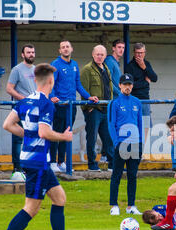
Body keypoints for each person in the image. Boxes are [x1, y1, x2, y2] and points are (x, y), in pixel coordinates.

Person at [0, 63, 85, 230]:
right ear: (51, 80)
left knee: (59, 197)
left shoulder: (25, 101)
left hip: (31, 159)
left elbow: (8, 124)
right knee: (31, 208)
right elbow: (43, 132)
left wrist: (28, 135)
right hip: (37, 162)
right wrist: (65, 137)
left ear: (34, 80)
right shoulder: (46, 103)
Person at [49, 40, 98, 173]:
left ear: (72, 49)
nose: (65, 49)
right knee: (57, 133)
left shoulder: (75, 65)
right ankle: (52, 161)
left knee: (67, 133)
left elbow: (78, 85)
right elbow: (50, 83)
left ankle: (61, 162)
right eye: (63, 47)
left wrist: (88, 96)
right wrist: (52, 96)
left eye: (67, 47)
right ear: (60, 51)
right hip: (60, 105)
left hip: (72, 105)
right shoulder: (55, 64)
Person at [108, 74, 144, 216]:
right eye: (125, 84)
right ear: (120, 85)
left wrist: (140, 142)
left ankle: (131, 206)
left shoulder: (137, 102)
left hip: (135, 144)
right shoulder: (114, 103)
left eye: (130, 84)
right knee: (116, 174)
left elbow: (140, 124)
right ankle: (114, 205)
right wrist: (116, 142)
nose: (127, 87)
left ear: (132, 86)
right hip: (121, 144)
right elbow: (111, 125)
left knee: (132, 175)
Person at [80, 44, 114, 171]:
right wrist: (88, 107)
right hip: (93, 110)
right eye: (97, 54)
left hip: (106, 109)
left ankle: (112, 164)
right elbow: (83, 89)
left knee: (108, 138)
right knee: (92, 138)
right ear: (93, 55)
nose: (99, 57)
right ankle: (92, 164)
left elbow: (109, 88)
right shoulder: (87, 69)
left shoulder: (106, 68)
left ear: (105, 56)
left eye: (102, 54)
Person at [6, 44, 37, 173]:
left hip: (34, 110)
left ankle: (29, 165)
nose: (31, 54)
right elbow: (9, 89)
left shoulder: (36, 69)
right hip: (21, 108)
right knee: (19, 138)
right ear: (23, 55)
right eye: (28, 52)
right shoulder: (17, 70)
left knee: (32, 137)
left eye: (33, 52)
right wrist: (23, 99)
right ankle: (17, 167)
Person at [126, 43, 158, 142]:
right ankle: (136, 148)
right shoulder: (130, 66)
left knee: (147, 125)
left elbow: (155, 78)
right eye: (137, 53)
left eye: (141, 53)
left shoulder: (147, 64)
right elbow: (130, 86)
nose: (139, 55)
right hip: (134, 99)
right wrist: (145, 82)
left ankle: (145, 151)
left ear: (145, 53)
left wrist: (144, 67)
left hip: (145, 99)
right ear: (134, 53)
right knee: (134, 125)